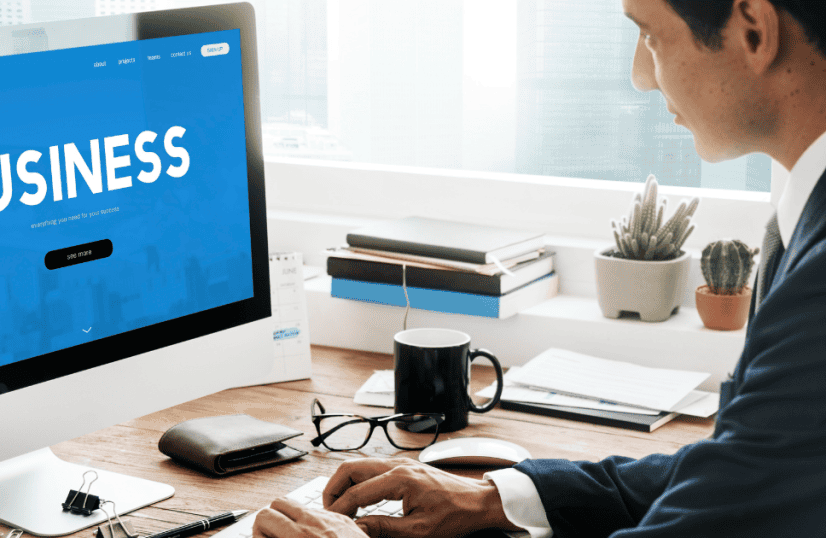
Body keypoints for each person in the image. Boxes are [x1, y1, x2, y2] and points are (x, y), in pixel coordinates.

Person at [252, 0, 826, 536]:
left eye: (649, 35)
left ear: (754, 29)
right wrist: (495, 498)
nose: (640, 76)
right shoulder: (797, 220)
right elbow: (740, 467)